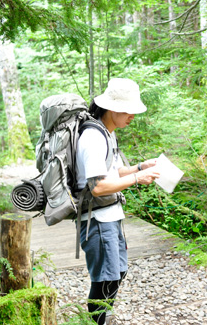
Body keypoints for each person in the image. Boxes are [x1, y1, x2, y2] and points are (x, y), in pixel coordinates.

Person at [75, 78, 160, 325]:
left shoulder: (107, 134)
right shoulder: (93, 137)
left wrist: (142, 167)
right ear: (113, 108)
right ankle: (97, 321)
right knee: (106, 278)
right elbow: (98, 186)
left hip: (110, 217)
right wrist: (137, 177)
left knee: (117, 273)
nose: (133, 115)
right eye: (129, 110)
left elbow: (112, 172)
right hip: (98, 220)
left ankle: (103, 318)